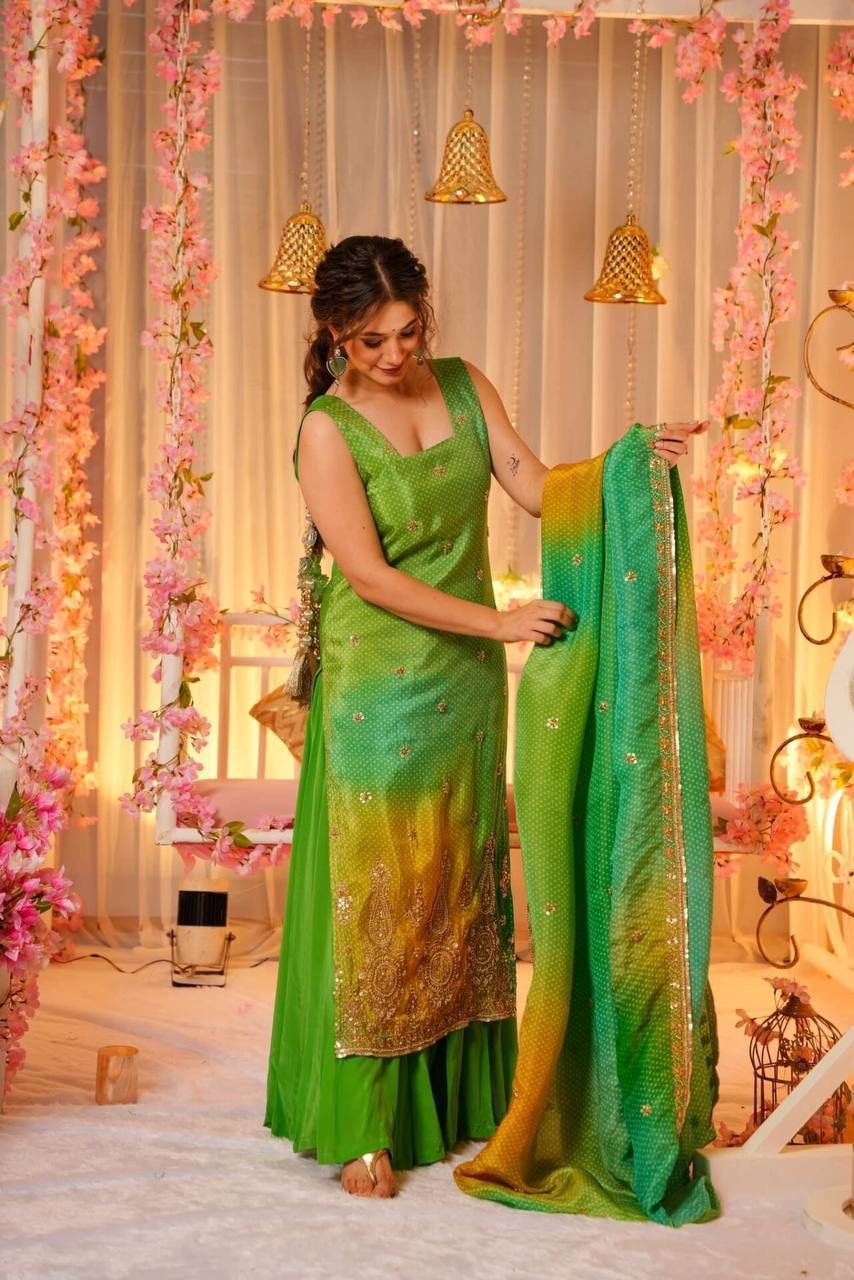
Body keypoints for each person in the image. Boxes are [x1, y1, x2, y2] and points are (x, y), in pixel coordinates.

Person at [264, 235, 698, 1199]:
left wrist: (626, 462)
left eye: (407, 331)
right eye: (371, 339)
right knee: (380, 890)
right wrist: (501, 622)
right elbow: (369, 576)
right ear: (334, 333)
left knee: (459, 882)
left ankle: (458, 1103)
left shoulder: (463, 385)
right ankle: (361, 1120)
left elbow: (538, 488)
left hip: (463, 683)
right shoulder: (327, 429)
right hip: (377, 684)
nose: (394, 354)